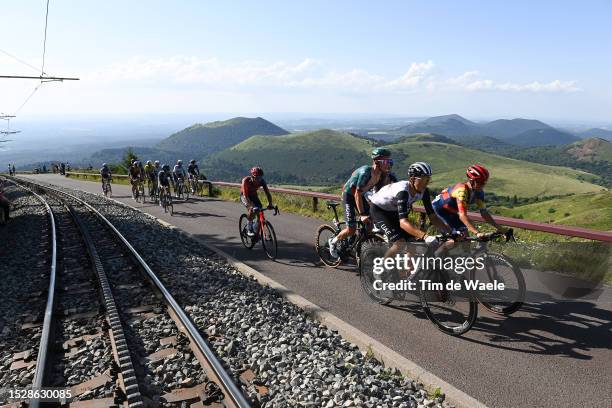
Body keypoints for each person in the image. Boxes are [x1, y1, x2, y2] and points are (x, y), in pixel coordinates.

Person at [369, 162, 449, 259]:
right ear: (412, 179)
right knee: (399, 243)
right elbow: (403, 223)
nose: (427, 183)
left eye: (429, 179)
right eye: (424, 180)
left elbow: (433, 217)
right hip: (379, 210)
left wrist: (450, 232)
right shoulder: (403, 192)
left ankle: (408, 268)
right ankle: (380, 269)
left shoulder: (424, 191)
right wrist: (425, 236)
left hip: (393, 209)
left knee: (413, 240)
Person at [328, 147, 394, 258]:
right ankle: (333, 242)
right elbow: (356, 194)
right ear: (376, 162)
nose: (389, 164)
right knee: (351, 229)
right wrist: (363, 214)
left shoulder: (381, 175)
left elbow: (380, 195)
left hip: (361, 195)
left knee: (370, 223)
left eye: (390, 161)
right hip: (349, 195)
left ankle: (356, 242)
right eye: (386, 161)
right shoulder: (366, 172)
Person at [432, 164, 507, 242]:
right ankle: (436, 254)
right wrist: (477, 233)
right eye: (480, 182)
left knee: (466, 240)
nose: (482, 185)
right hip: (439, 210)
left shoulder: (479, 192)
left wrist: (500, 228)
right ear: (472, 180)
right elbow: (462, 215)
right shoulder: (462, 190)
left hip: (453, 211)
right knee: (455, 238)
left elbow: (484, 214)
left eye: (484, 183)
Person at [240, 166, 273, 236]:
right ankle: (249, 229)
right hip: (245, 196)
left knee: (260, 211)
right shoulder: (246, 180)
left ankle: (255, 228)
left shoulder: (262, 181)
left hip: (254, 195)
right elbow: (245, 195)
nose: (259, 180)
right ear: (253, 176)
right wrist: (251, 206)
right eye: (257, 178)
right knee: (252, 210)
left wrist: (270, 203)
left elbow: (268, 193)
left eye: (261, 177)